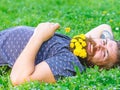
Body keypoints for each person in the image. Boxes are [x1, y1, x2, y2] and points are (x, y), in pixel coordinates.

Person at [0, 22, 119, 86]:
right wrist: (107, 46)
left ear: (101, 69)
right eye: (103, 42)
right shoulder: (79, 48)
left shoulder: (70, 63)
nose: (99, 46)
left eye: (104, 54)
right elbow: (104, 27)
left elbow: (18, 79)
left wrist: (39, 36)